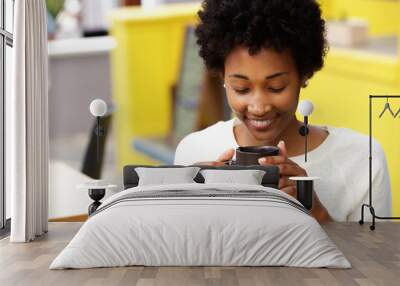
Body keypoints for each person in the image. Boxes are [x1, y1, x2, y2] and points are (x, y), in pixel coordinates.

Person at [174, 0, 392, 222]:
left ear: (304, 74)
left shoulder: (362, 160)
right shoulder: (193, 152)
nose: (259, 107)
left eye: (276, 87)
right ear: (222, 77)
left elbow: (373, 256)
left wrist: (316, 214)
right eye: (241, 88)